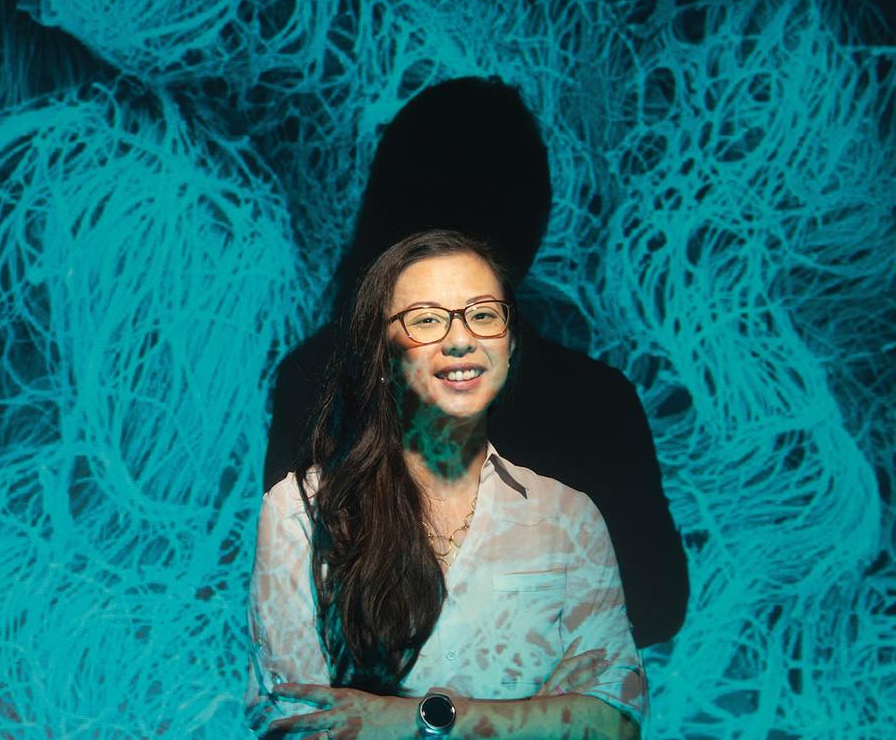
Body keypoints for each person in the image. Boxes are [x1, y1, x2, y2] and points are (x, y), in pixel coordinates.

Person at [262, 77, 687, 649]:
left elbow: (298, 607)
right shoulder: (593, 402)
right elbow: (655, 609)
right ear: (530, 216)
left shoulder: (309, 378)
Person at [247, 230, 646, 739]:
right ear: (383, 355)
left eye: (483, 314)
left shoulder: (567, 517)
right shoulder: (301, 512)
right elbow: (299, 724)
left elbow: (616, 722)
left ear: (511, 342)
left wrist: (413, 719)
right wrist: (539, 717)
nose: (461, 339)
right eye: (427, 320)